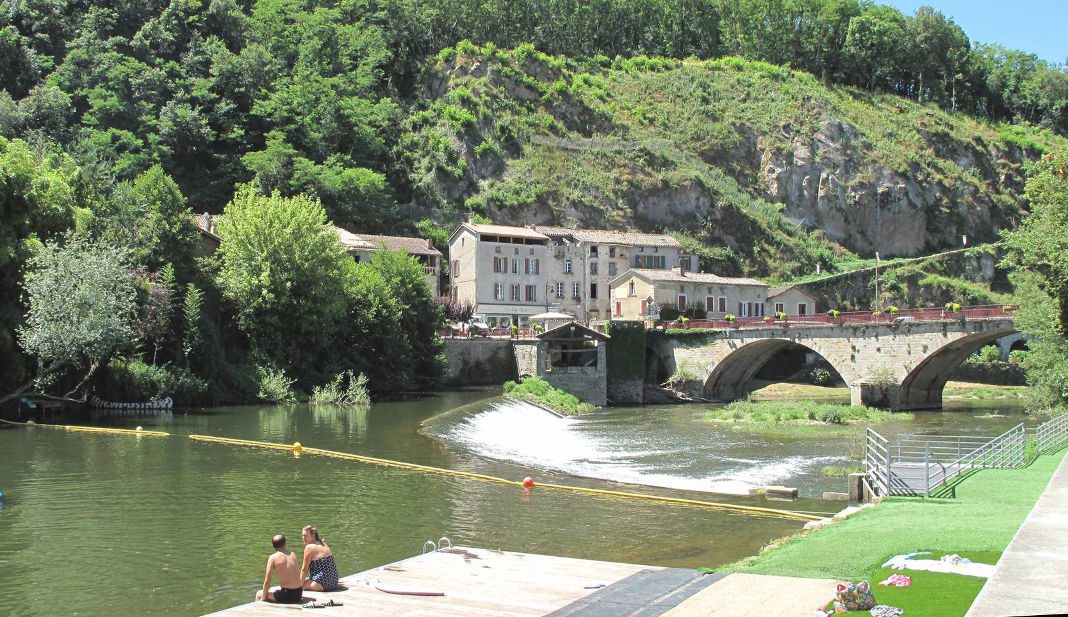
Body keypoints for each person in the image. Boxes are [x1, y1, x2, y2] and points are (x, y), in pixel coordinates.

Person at [256, 534, 303, 604]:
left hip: (287, 595)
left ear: (273, 546)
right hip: (299, 593)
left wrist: (263, 597)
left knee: (259, 594)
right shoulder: (293, 554)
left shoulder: (273, 558)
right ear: (285, 543)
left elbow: (267, 580)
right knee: (274, 590)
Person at [300, 525, 341, 591]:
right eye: (302, 535)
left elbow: (304, 570)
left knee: (301, 585)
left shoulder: (309, 547)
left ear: (313, 535)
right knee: (304, 580)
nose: (303, 538)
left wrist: (298, 587)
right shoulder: (322, 542)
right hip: (334, 580)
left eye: (305, 536)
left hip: (324, 583)